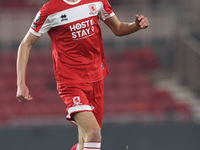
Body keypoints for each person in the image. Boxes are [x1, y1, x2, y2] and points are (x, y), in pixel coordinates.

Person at [16, 0, 149, 150]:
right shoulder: (50, 9)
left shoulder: (97, 1)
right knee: (94, 133)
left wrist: (136, 25)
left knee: (86, 142)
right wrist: (21, 83)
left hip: (96, 78)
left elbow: (118, 28)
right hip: (70, 82)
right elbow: (25, 44)